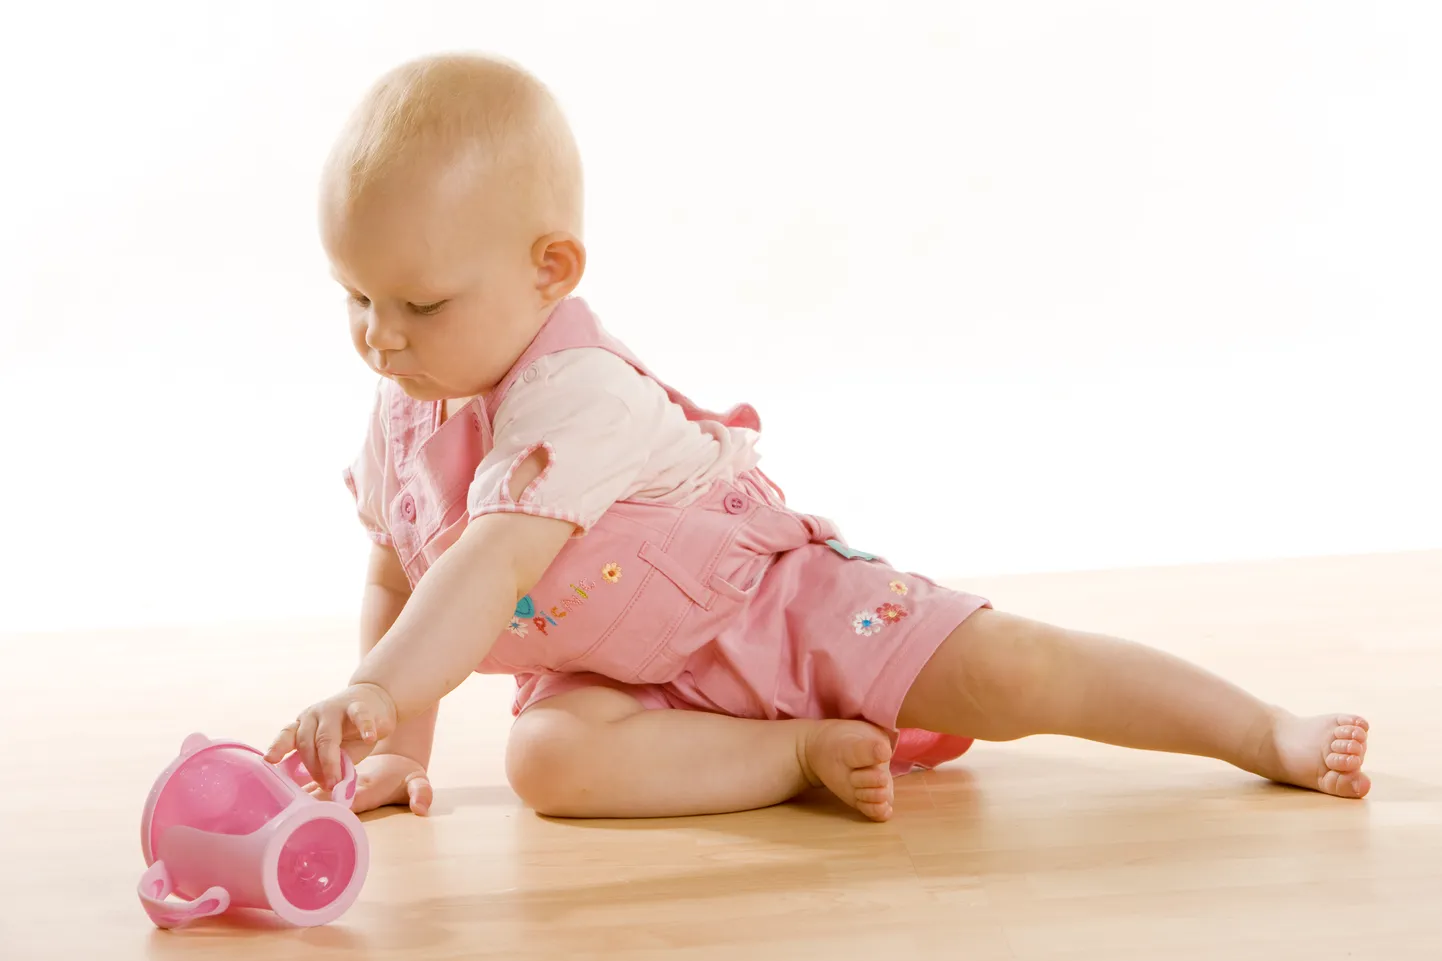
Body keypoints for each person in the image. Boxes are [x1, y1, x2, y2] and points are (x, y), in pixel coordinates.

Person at [264, 53, 1369, 823]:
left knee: (1015, 669)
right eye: (353, 297)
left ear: (549, 270)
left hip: (770, 615)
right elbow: (399, 569)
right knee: (546, 761)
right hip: (622, 677)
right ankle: (788, 756)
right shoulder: (405, 409)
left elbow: (488, 559)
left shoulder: (575, 394)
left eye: (418, 305)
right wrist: (396, 743)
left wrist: (368, 691)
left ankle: (1258, 730)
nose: (378, 339)